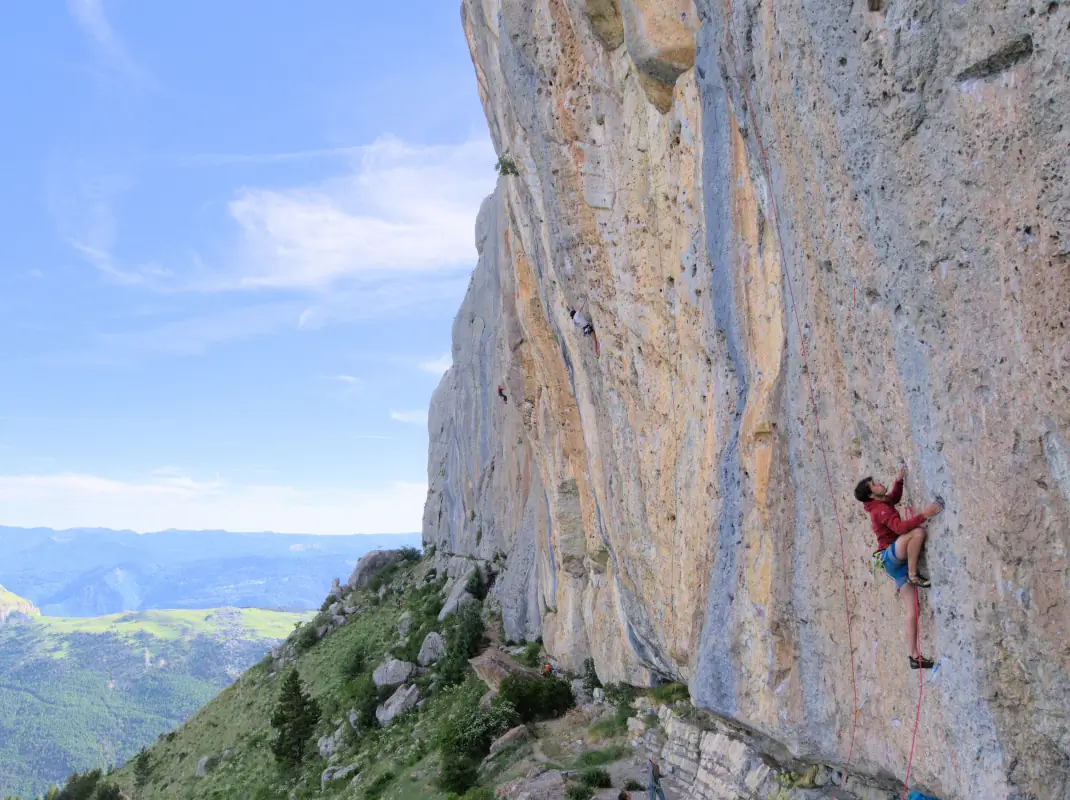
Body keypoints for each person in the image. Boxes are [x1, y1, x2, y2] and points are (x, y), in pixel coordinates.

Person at [855, 466, 943, 669]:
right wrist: (924, 514)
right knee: (918, 533)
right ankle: (913, 574)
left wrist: (899, 481)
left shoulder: (880, 503)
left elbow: (893, 498)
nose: (878, 484)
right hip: (892, 556)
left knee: (912, 610)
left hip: (893, 562)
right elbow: (901, 528)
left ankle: (914, 656)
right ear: (871, 494)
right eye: (874, 485)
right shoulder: (880, 510)